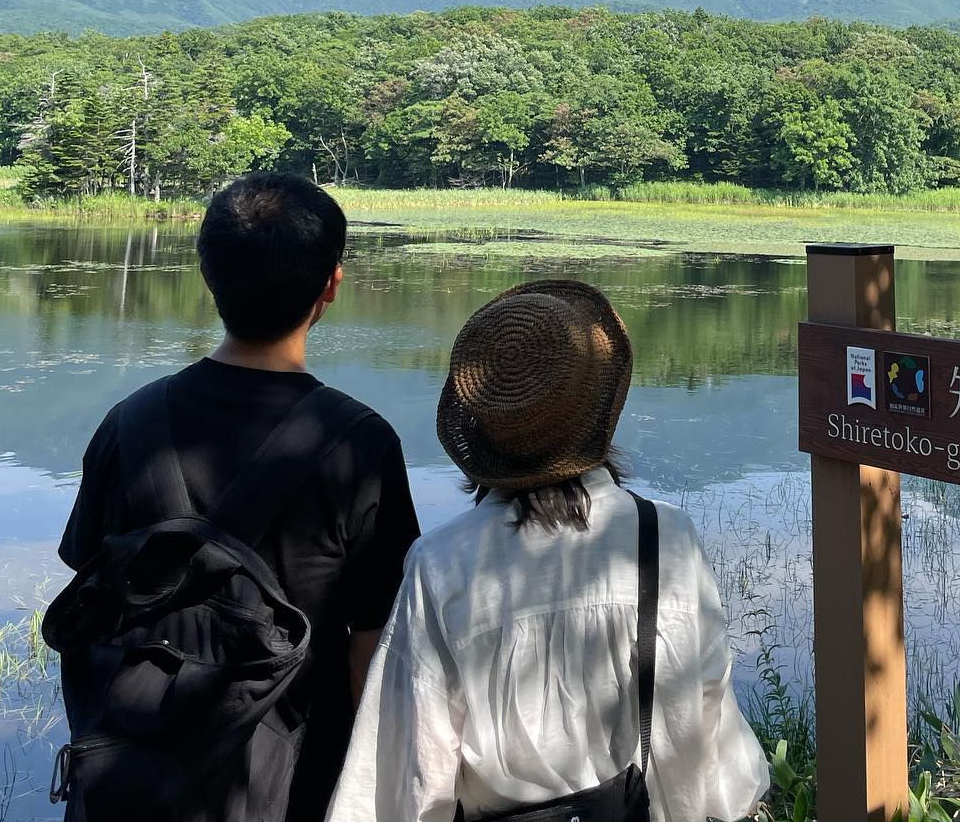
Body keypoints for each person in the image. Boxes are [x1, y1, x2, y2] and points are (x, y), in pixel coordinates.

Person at [326, 279, 770, 822]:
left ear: (484, 432)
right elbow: (702, 721)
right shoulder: (664, 539)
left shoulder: (441, 565)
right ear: (600, 413)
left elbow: (412, 770)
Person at [54, 172, 420, 822]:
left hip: (130, 773)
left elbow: (88, 582)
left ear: (206, 274)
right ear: (332, 284)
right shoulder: (360, 444)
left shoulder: (130, 424)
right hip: (288, 781)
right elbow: (372, 643)